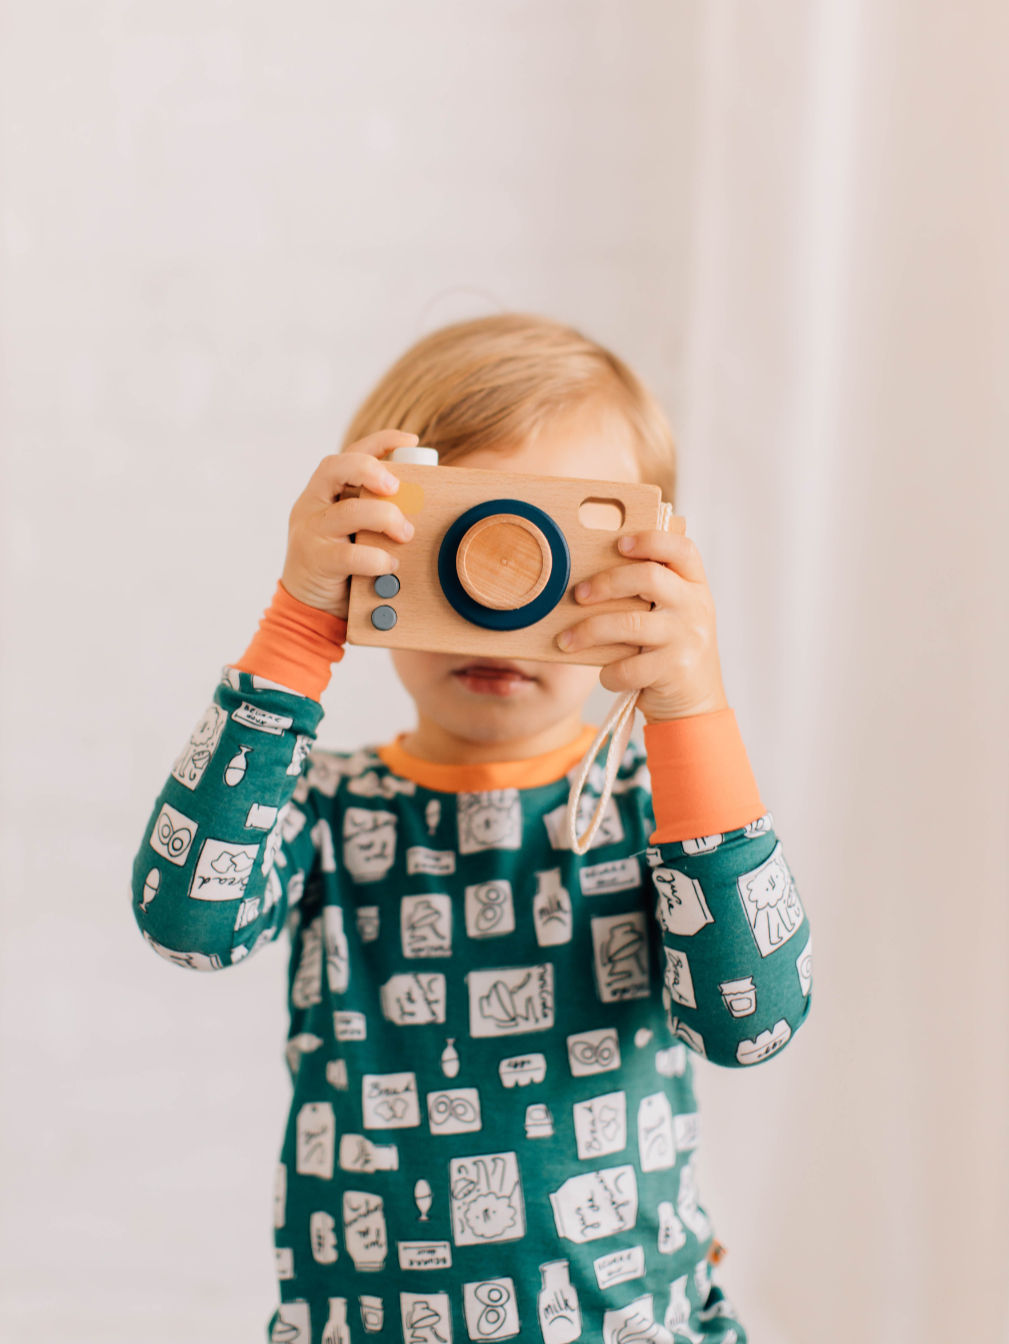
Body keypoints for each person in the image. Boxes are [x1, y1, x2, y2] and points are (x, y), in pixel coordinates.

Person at [132, 314, 812, 1344]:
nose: (503, 586)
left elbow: (751, 1018)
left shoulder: (654, 808)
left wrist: (689, 707)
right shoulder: (326, 807)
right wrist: (298, 624)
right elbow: (188, 918)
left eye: (559, 544)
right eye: (455, 534)